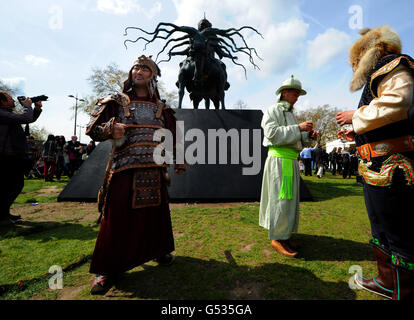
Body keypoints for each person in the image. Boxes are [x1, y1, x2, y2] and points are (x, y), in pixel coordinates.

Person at [85, 55, 186, 294]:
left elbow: (174, 135)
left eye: (145, 68)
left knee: (156, 214)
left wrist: (180, 159)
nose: (139, 71)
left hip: (154, 167)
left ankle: (158, 250)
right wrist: (111, 128)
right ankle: (106, 269)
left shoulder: (163, 107)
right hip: (124, 167)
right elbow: (92, 130)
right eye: (136, 67)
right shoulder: (116, 102)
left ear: (153, 76)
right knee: (116, 215)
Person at [336, 26, 414, 300]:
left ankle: (403, 288)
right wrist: (357, 131)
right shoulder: (386, 70)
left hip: (393, 167)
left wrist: (355, 116)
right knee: (382, 226)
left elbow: (398, 102)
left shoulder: (394, 65)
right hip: (380, 167)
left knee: (396, 229)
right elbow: (387, 116)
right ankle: (386, 281)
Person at [259, 75, 318, 258]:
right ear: (284, 93)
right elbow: (272, 134)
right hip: (279, 161)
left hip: (290, 161)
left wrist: (309, 136)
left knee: (289, 201)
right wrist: (298, 128)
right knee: (280, 200)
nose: (297, 97)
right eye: (295, 93)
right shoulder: (273, 110)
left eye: (298, 94)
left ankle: (285, 236)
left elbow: (293, 137)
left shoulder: (290, 113)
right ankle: (277, 238)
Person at [0, 91, 43, 227]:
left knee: (11, 185)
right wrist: (27, 106)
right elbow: (25, 118)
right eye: (10, 99)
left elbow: (28, 118)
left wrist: (36, 108)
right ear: (2, 101)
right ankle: (1, 217)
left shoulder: (6, 113)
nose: (13, 101)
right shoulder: (1, 113)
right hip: (5, 156)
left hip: (12, 155)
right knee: (11, 186)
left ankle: (4, 213)